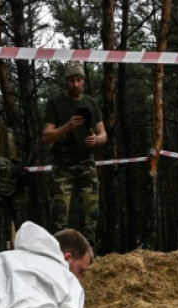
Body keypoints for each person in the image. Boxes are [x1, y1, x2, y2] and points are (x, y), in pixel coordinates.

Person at [42, 61, 107, 249]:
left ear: (83, 81)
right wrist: (67, 127)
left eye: (79, 80)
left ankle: (89, 253)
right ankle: (57, 253)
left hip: (86, 163)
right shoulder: (55, 103)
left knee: (92, 210)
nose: (75, 84)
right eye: (72, 80)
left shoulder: (91, 103)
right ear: (66, 82)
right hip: (63, 164)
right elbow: (47, 135)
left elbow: (103, 134)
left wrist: (96, 140)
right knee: (59, 212)